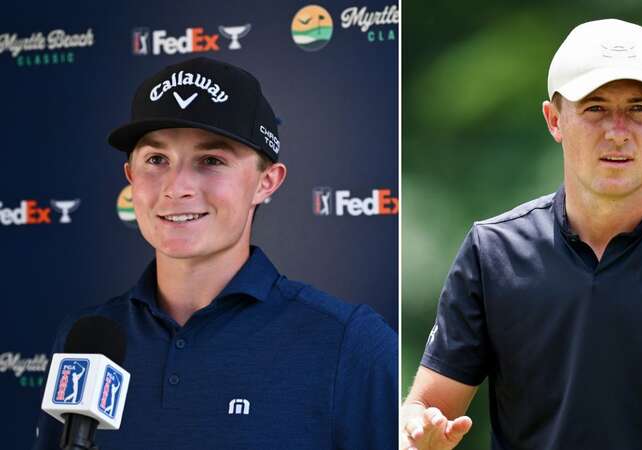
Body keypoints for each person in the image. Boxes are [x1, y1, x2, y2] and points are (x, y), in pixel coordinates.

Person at [401, 19, 642, 450]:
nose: (617, 131)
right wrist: (420, 434)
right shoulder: (493, 252)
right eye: (595, 108)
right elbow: (425, 412)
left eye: (639, 109)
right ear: (554, 120)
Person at [33, 56, 397, 450]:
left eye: (211, 161)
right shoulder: (86, 340)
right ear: (131, 178)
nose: (176, 187)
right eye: (157, 160)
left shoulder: (351, 343)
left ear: (266, 182)